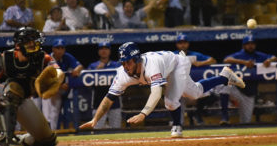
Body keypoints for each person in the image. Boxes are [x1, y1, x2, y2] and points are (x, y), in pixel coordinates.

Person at [80, 42, 245, 137]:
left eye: (128, 61)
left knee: (170, 101)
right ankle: (225, 77)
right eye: (123, 62)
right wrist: (95, 120)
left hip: (178, 64)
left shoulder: (151, 65)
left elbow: (156, 92)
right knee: (195, 93)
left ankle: (177, 127)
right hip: (169, 67)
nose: (126, 66)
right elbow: (109, 98)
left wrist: (143, 113)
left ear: (137, 59)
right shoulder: (122, 74)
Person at [0, 27, 64, 146]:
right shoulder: (4, 59)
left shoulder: (43, 58)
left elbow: (58, 71)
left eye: (34, 41)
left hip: (23, 101)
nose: (33, 44)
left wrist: (58, 78)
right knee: (13, 88)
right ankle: (4, 141)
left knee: (48, 141)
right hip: (0, 97)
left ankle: (22, 140)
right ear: (18, 45)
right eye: (29, 42)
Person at [221, 35, 277, 124]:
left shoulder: (258, 55)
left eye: (252, 44)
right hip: (237, 89)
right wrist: (244, 62)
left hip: (249, 93)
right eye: (248, 44)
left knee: (246, 122)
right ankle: (225, 117)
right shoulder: (240, 54)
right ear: (243, 46)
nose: (250, 46)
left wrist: (269, 61)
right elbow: (226, 60)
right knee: (224, 85)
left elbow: (275, 57)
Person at [173, 34, 217, 125]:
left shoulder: (194, 55)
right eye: (180, 43)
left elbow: (213, 60)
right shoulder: (173, 55)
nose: (182, 45)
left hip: (194, 87)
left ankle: (197, 114)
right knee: (175, 97)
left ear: (188, 44)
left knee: (213, 94)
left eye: (184, 43)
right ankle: (176, 122)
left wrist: (200, 63)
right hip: (181, 89)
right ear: (177, 45)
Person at [43, 38, 84, 130]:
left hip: (57, 90)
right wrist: (60, 85)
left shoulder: (67, 57)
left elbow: (80, 66)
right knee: (46, 114)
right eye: (58, 48)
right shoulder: (48, 59)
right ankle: (43, 133)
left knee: (55, 112)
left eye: (62, 48)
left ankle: (52, 133)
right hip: (46, 89)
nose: (60, 50)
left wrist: (77, 69)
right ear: (53, 49)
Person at [87, 42, 122, 129]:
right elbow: (87, 84)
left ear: (109, 51)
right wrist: (96, 71)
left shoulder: (116, 65)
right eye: (101, 48)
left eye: (106, 48)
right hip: (98, 102)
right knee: (97, 129)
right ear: (98, 51)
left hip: (115, 102)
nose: (104, 51)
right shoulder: (92, 66)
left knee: (116, 129)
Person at [95, 0, 161, 29]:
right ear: (123, 9)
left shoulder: (138, 14)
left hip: (137, 39)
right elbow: (108, 5)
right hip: (121, 40)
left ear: (133, 8)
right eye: (126, 7)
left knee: (144, 24)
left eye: (131, 7)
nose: (129, 9)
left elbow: (150, 5)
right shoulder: (118, 15)